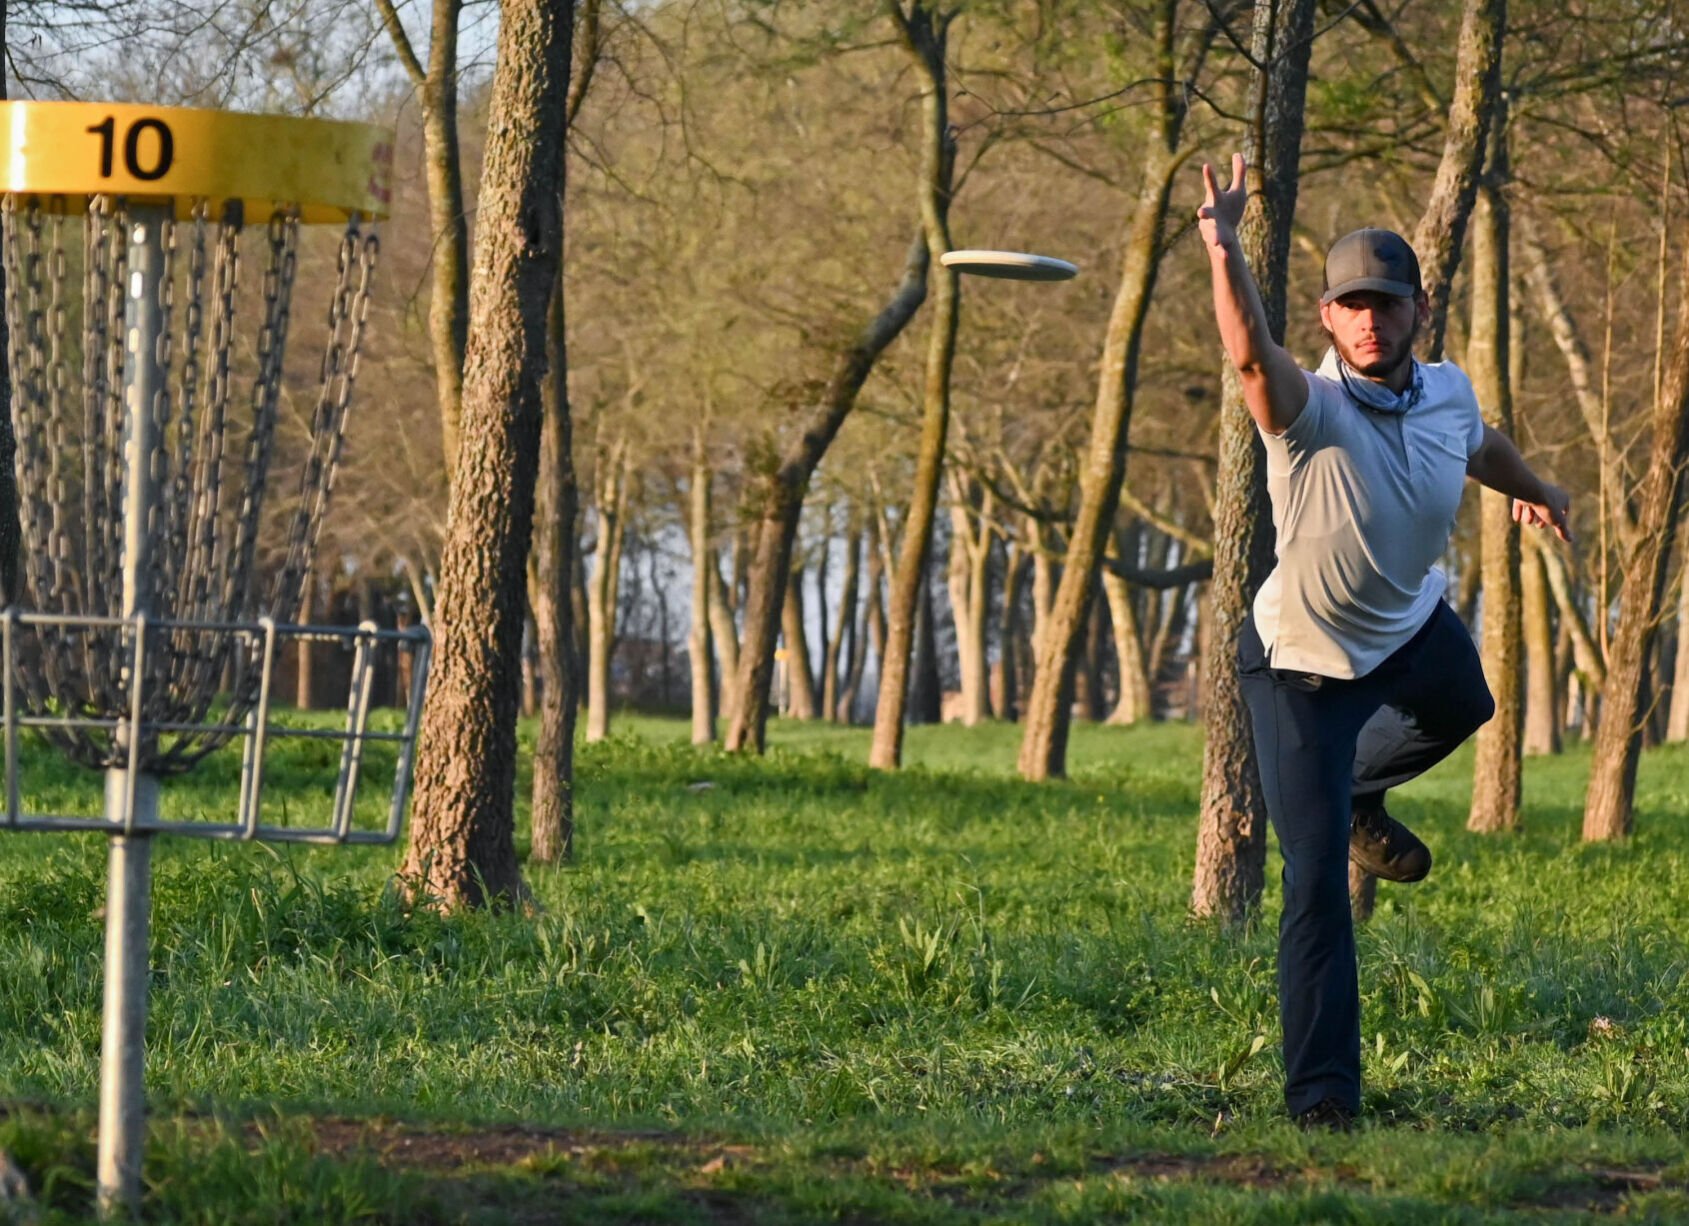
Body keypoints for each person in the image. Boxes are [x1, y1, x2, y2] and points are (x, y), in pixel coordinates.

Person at [1196, 153, 1571, 1130]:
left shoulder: (1448, 392)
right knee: (1316, 886)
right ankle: (1322, 1100)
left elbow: (1479, 443)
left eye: (1387, 304)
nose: (1370, 320)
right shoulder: (1306, 409)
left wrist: (1535, 490)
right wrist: (1223, 246)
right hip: (1300, 671)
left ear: (1417, 308)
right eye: (1352, 304)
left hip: (1407, 630)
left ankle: (1361, 789)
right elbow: (1247, 356)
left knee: (1466, 699)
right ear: (1327, 316)